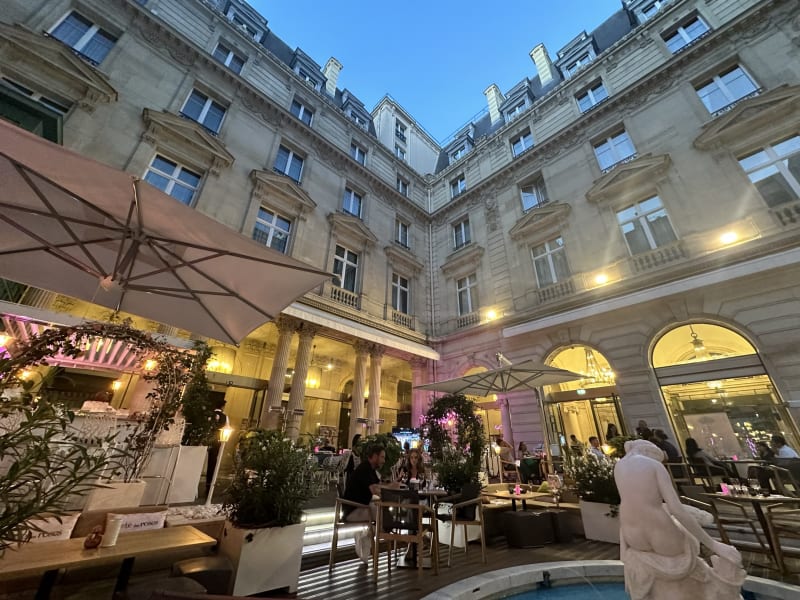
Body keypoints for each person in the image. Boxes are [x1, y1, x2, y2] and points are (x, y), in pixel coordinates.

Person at [615, 439, 744, 599]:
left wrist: (624, 548)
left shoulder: (619, 466)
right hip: (659, 531)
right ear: (651, 452)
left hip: (632, 535)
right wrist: (713, 544)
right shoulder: (654, 466)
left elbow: (628, 504)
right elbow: (677, 510)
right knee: (691, 543)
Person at [342, 443, 396, 562]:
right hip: (352, 511)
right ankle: (366, 535)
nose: (384, 460)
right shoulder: (365, 468)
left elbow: (379, 486)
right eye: (382, 457)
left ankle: (367, 534)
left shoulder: (370, 469)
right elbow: (375, 490)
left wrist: (391, 487)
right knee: (384, 516)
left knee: (385, 514)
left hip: (360, 507)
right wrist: (392, 489)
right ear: (375, 456)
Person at [205, 399, 229, 499]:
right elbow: (227, 428)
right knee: (212, 461)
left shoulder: (209, 414)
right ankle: (210, 483)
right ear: (223, 407)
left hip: (206, 440)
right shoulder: (225, 417)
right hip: (217, 441)